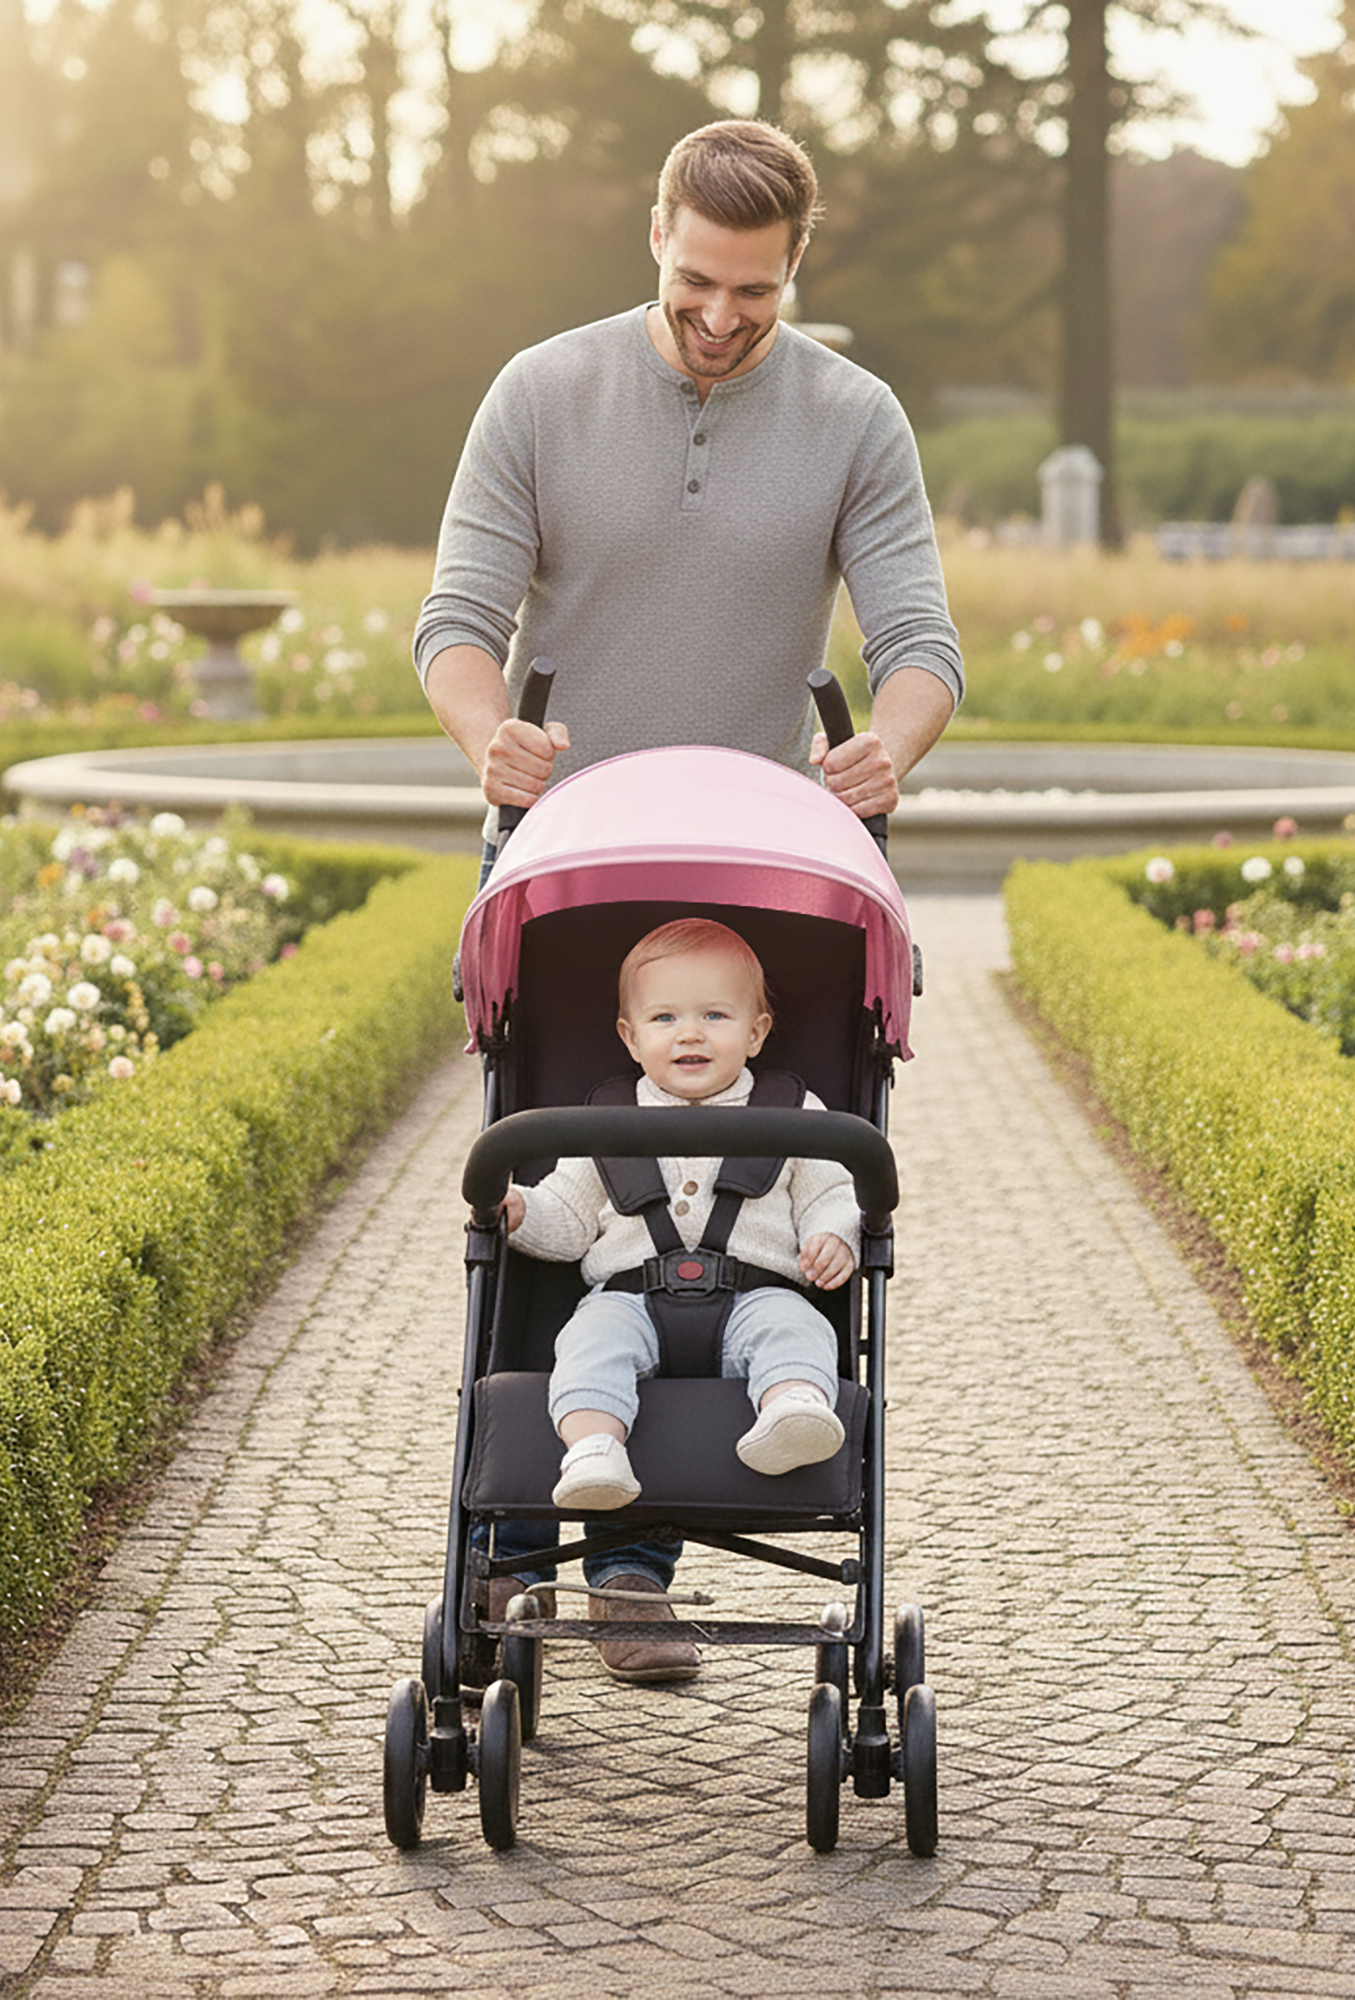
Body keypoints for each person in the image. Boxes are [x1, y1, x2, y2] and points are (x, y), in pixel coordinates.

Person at [415, 117, 962, 1681]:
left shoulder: (855, 419)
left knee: (732, 1212)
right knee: (560, 1212)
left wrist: (889, 752)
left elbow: (921, 639)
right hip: (570, 858)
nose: (722, 318)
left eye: (758, 294)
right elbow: (458, 616)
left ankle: (637, 1575)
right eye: (697, 283)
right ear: (655, 234)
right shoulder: (541, 391)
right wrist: (487, 734)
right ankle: (522, 1554)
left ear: (799, 270)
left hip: (762, 869)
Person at [502, 920, 859, 1513]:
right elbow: (566, 1215)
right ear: (631, 1037)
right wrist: (518, 1212)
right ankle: (593, 1447)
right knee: (588, 1342)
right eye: (664, 1019)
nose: (689, 1033)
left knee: (796, 1329)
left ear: (756, 1032)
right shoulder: (605, 1119)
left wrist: (833, 1235)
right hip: (628, 1298)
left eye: (715, 1016)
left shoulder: (795, 1112)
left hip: (757, 1292)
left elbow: (833, 1192)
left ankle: (793, 1408)